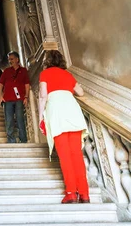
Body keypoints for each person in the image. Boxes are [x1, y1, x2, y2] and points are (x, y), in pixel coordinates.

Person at [38, 49, 89, 204]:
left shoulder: (45, 74)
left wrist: (41, 116)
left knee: (65, 156)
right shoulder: (68, 75)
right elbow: (80, 92)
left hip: (57, 114)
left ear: (47, 61)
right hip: (72, 112)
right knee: (77, 155)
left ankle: (71, 193)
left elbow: (43, 96)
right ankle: (85, 194)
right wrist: (75, 85)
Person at [0, 51, 30, 143]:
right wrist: (0, 96)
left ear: (17, 59)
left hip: (19, 99)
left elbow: (27, 84)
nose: (10, 61)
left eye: (11, 59)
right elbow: (0, 85)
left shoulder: (23, 71)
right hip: (7, 99)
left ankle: (23, 139)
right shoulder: (6, 71)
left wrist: (26, 97)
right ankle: (11, 140)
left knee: (20, 119)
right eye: (9, 59)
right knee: (9, 121)